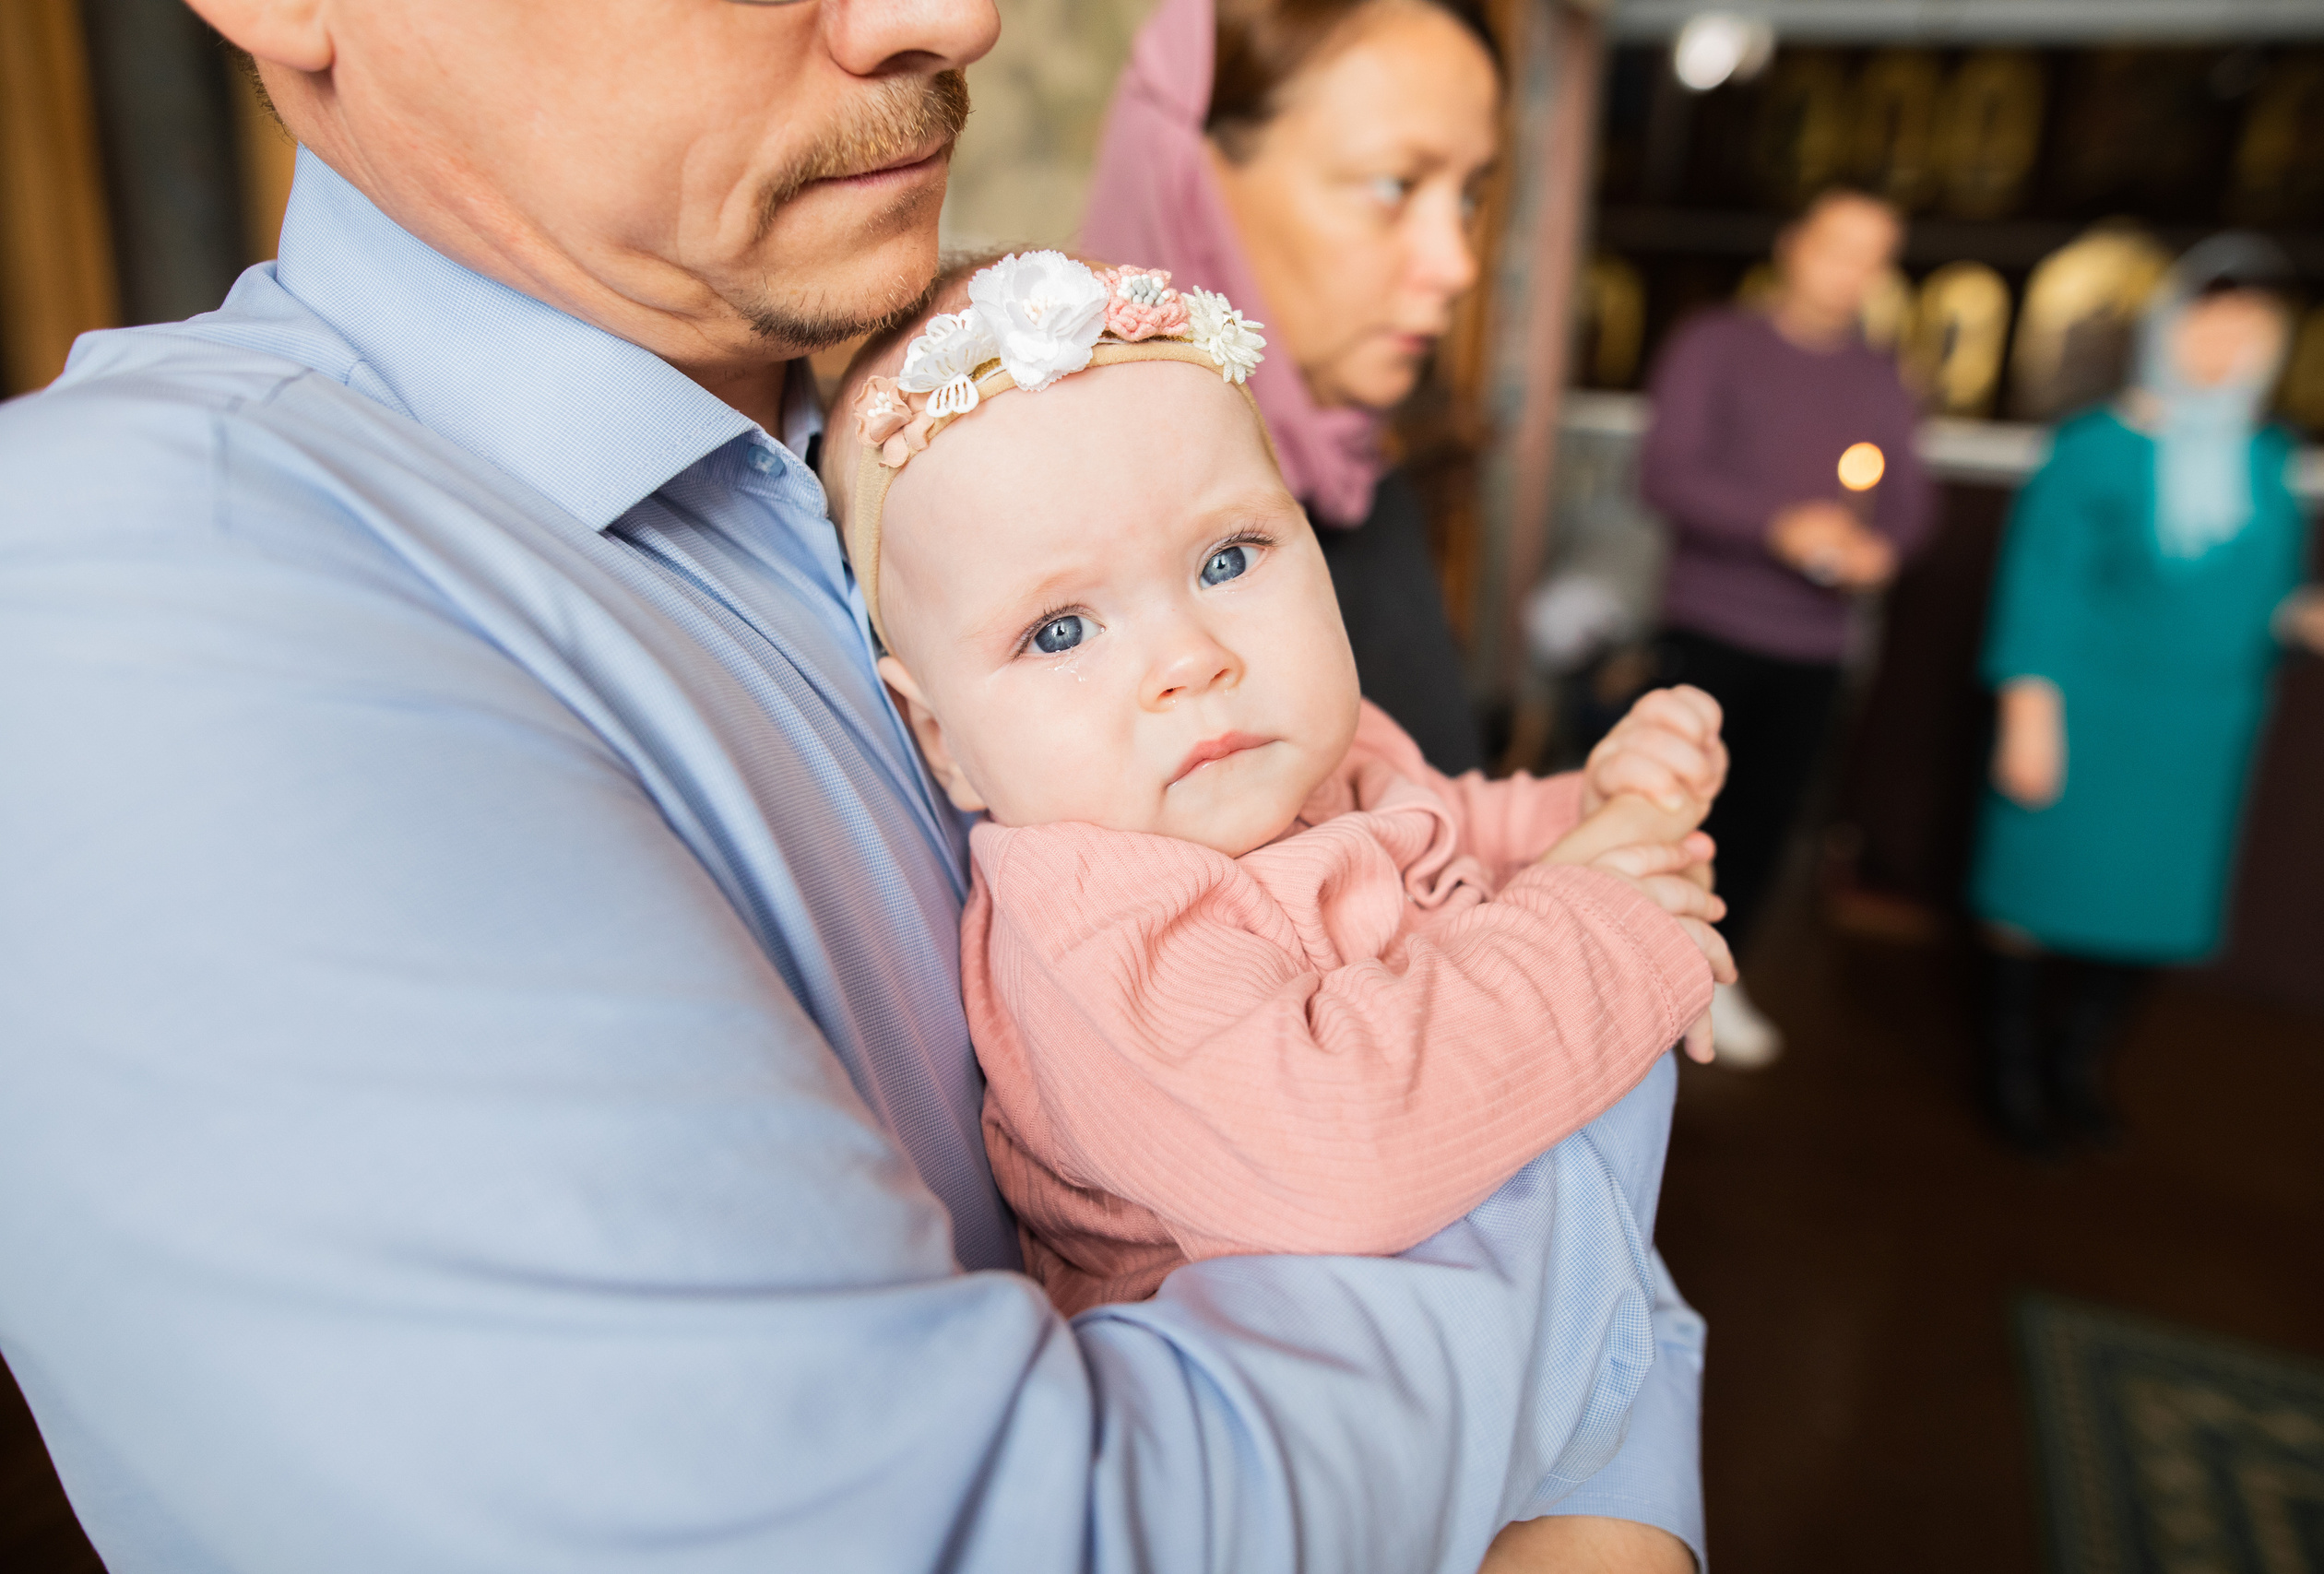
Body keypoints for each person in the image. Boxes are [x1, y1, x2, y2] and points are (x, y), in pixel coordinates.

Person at [0, 4, 1721, 1570]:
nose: (953, 14)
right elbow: (1001, 1535)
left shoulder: (956, 433)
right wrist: (1595, 1095)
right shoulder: (130, 594)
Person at [820, 248, 1731, 1317]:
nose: (1192, 661)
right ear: (944, 740)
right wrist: (1598, 931)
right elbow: (1343, 1154)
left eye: (1228, 559)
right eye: (1059, 631)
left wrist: (1580, 809)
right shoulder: (1102, 926)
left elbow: (1441, 828)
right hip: (1315, 1434)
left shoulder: (1312, 752)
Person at [1972, 234, 2324, 1151]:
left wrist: (2315, 618)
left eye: (2250, 332)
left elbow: (2256, 595)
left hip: (2196, 732)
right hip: (2081, 715)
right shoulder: (2092, 450)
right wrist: (2029, 716)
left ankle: (2078, 1064)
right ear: (2168, 326)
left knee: (2149, 909)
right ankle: (2007, 1072)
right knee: (2032, 896)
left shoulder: (2265, 459)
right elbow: (2037, 590)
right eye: (2210, 326)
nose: (2227, 348)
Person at [1080, 0, 1493, 775]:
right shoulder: (1061, 547)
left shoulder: (1357, 477)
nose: (1458, 264)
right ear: (1190, 181)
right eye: (1393, 184)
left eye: (1468, 196)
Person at [1637, 187, 1937, 1066]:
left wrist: (1881, 550)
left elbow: (1913, 506)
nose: (1852, 270)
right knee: (1667, 809)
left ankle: (1716, 988)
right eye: (1838, 245)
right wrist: (1779, 525)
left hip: (1816, 643)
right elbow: (1664, 476)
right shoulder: (1715, 343)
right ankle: (1631, 972)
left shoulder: (1881, 374)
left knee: (1765, 823)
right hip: (1710, 624)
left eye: (1875, 254)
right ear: (1793, 245)